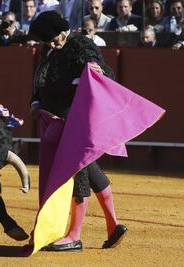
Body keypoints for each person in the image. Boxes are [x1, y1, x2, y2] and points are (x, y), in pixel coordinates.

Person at [28, 11, 127, 252]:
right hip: (57, 119)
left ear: (63, 31)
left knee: (78, 173)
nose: (50, 44)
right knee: (88, 169)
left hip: (76, 120)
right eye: (46, 41)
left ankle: (75, 234)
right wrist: (36, 101)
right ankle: (113, 224)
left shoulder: (80, 44)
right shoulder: (50, 49)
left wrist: (93, 68)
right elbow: (41, 79)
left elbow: (101, 68)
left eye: (52, 39)